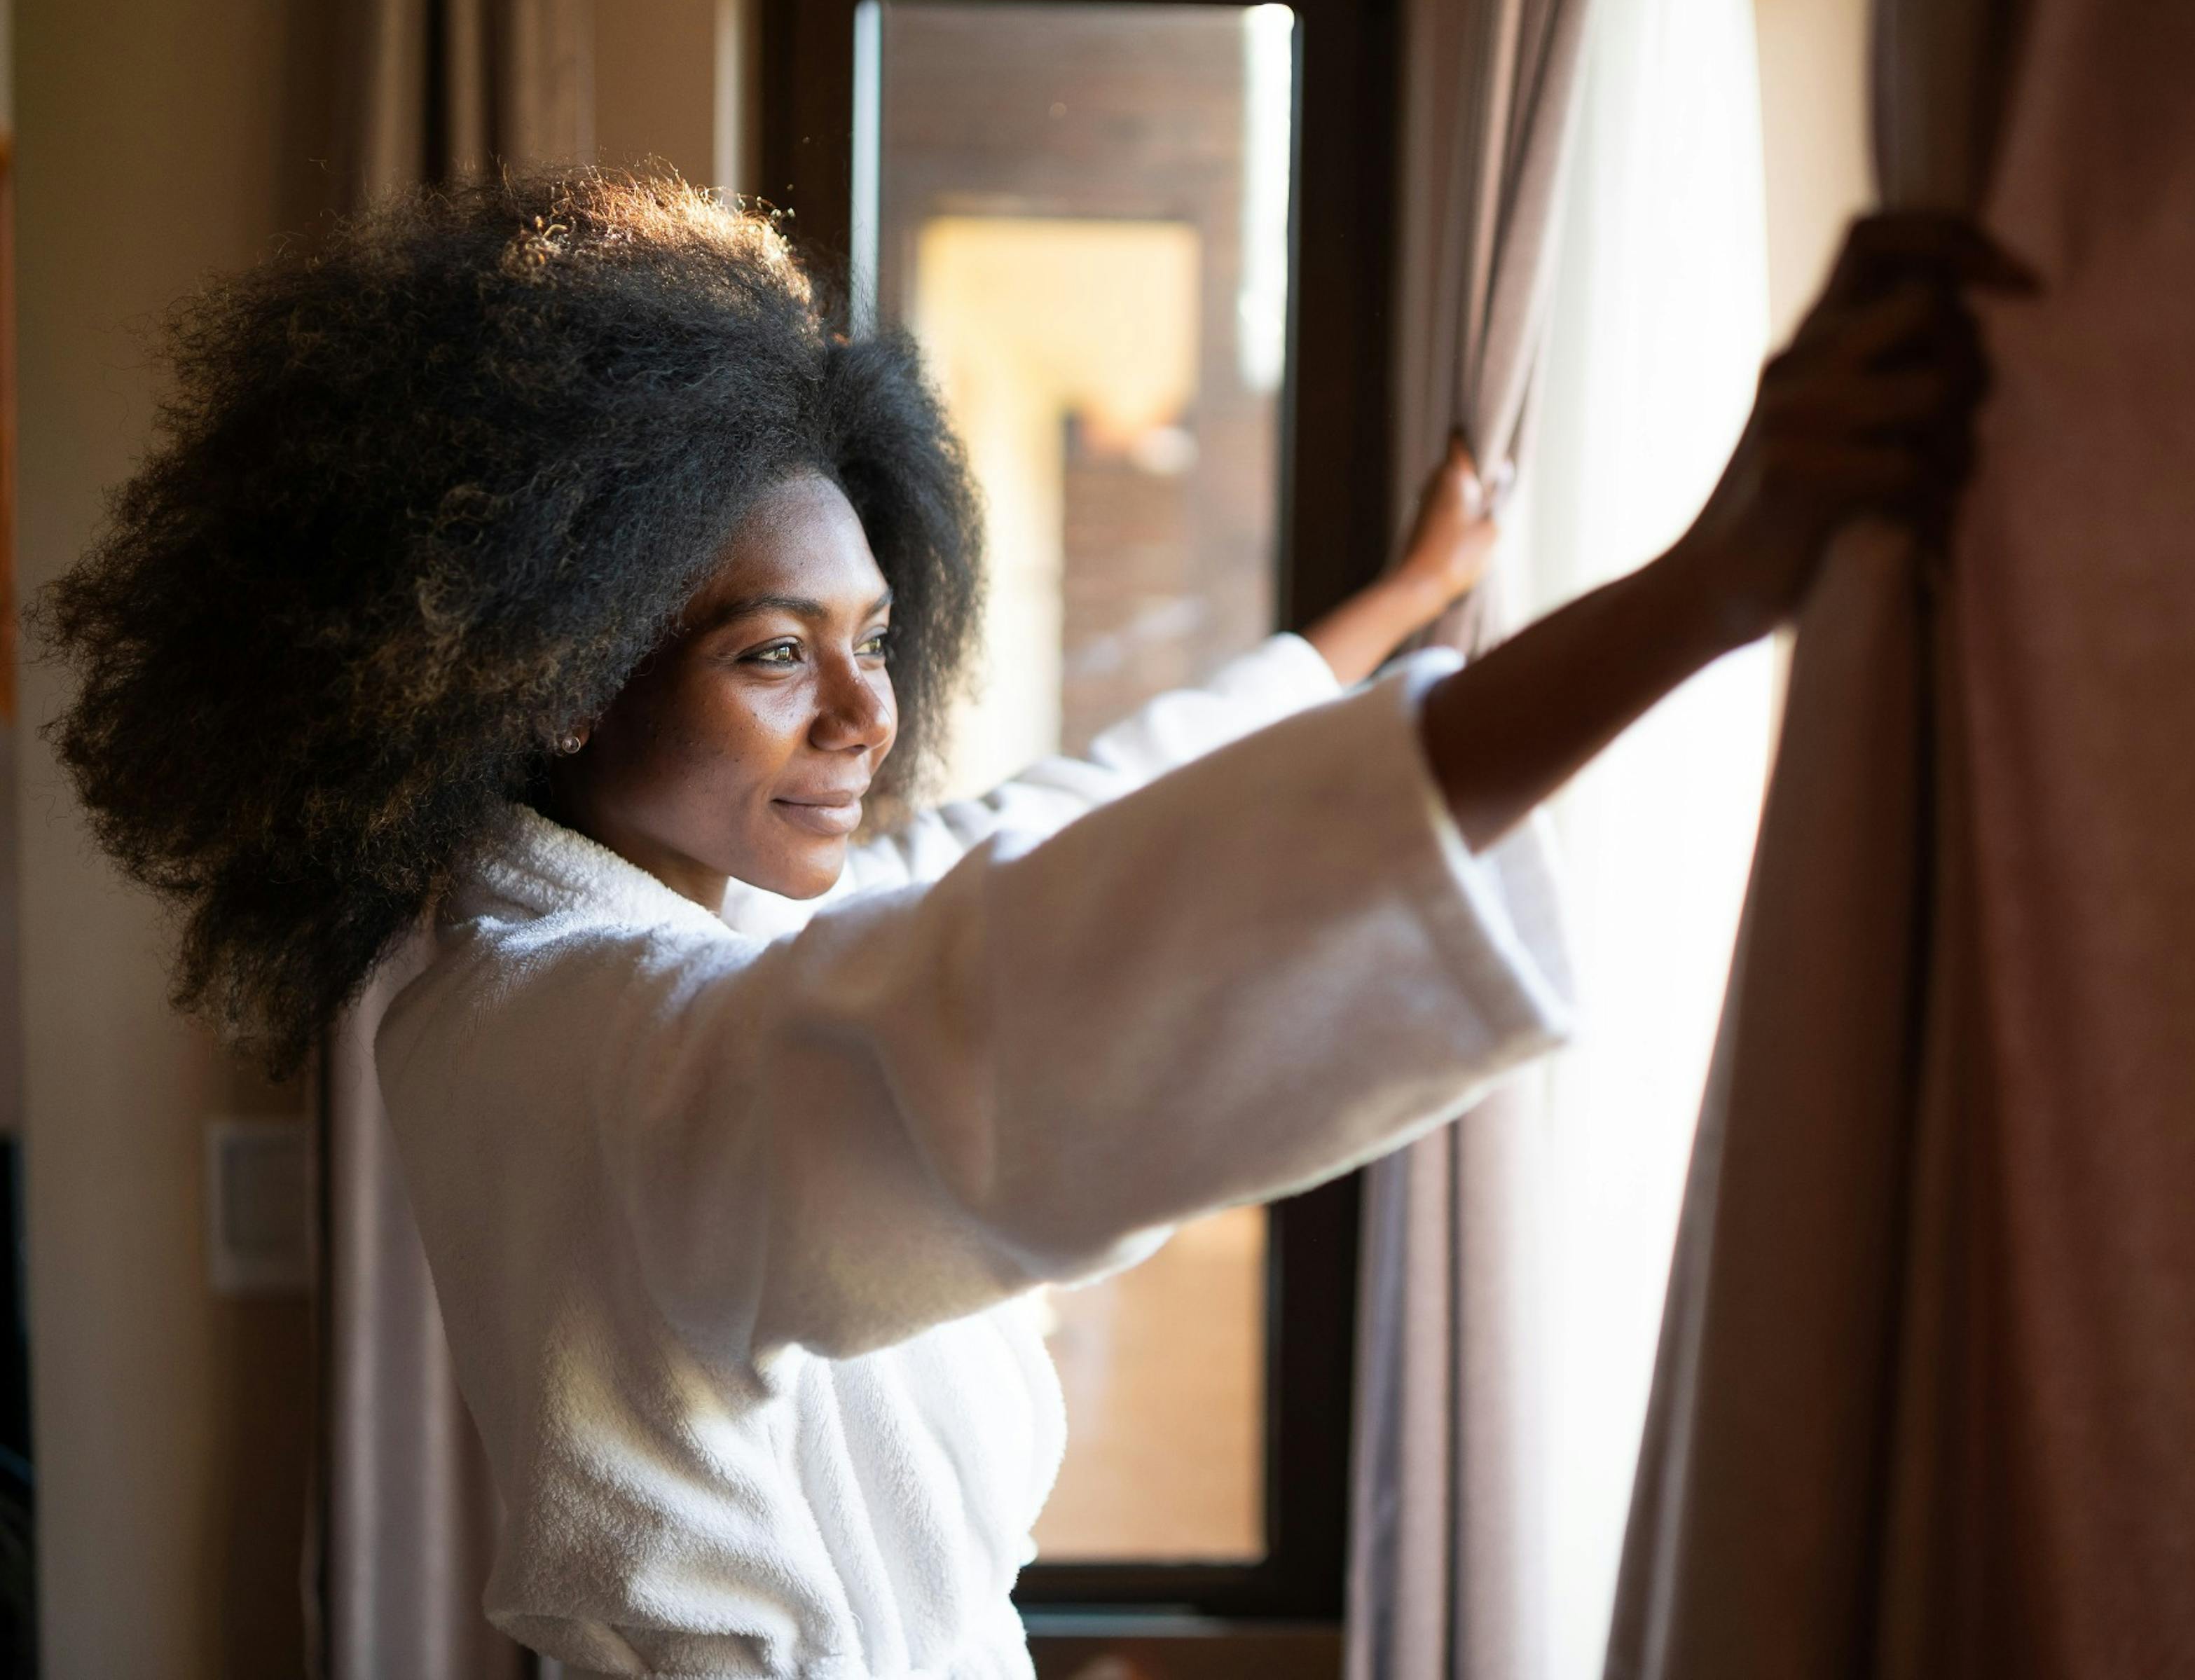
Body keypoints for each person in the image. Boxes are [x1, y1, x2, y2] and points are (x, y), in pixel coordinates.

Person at [42, 170, 2015, 1678]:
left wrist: (1401, 605)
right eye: (772, 654)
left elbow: (1071, 814)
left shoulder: (685, 937)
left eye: (875, 641)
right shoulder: (571, 1035)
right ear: (561, 679)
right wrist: (1708, 587)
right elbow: (1020, 996)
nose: (865, 714)